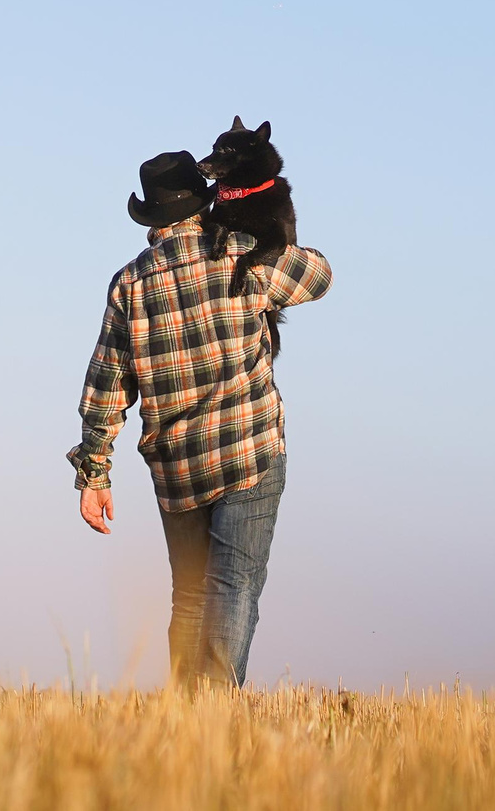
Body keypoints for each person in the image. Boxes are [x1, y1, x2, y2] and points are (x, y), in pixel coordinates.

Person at [69, 149, 332, 687]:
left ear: (152, 214)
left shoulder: (129, 285)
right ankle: (211, 720)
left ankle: (182, 725)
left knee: (190, 594)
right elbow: (320, 275)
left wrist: (94, 475)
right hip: (248, 449)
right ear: (203, 199)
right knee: (233, 586)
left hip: (175, 468)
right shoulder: (245, 255)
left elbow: (105, 385)